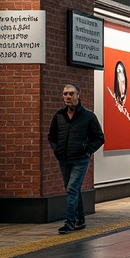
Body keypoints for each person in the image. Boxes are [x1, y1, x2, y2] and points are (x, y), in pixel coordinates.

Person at [47, 84, 104, 233]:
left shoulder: (88, 116)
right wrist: (57, 150)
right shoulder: (59, 116)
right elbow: (51, 136)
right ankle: (80, 220)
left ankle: (70, 222)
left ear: (78, 95)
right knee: (73, 189)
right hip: (64, 159)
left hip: (80, 159)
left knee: (72, 188)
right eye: (65, 94)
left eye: (71, 94)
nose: (68, 97)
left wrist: (87, 152)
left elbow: (99, 138)